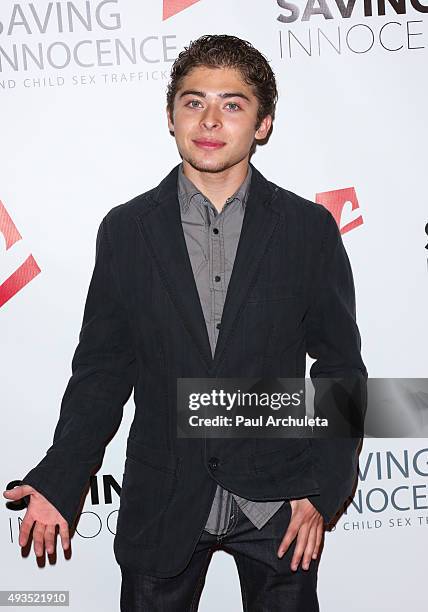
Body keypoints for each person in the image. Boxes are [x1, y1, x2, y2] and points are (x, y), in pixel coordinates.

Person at [3, 34, 367, 611]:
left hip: (279, 501)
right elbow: (102, 370)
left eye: (233, 103)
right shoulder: (126, 231)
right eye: (194, 101)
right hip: (163, 496)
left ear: (263, 123)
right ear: (171, 117)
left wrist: (321, 488)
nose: (211, 119)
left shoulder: (307, 230)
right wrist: (60, 477)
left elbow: (340, 366)